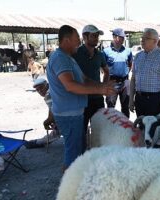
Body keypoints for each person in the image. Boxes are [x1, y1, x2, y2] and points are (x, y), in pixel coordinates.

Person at [46, 25, 116, 169]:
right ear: (66, 40)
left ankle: (77, 182)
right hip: (68, 115)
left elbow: (83, 79)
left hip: (75, 112)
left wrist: (101, 87)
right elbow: (70, 85)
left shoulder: (68, 58)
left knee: (79, 152)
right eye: (76, 38)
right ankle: (69, 187)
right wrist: (100, 89)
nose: (78, 42)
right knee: (73, 155)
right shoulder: (60, 58)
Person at [73, 24, 109, 152]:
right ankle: (81, 156)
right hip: (80, 99)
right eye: (93, 36)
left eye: (97, 36)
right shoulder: (76, 53)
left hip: (97, 99)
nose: (96, 38)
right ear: (84, 36)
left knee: (99, 129)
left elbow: (106, 71)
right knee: (80, 131)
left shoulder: (100, 54)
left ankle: (97, 155)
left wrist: (104, 86)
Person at [129, 28, 160, 117]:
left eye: (146, 38)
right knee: (140, 128)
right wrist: (131, 99)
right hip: (139, 99)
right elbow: (133, 79)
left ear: (155, 41)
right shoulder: (138, 56)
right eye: (142, 38)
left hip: (154, 101)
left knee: (154, 129)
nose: (142, 40)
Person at [103, 28, 133, 118]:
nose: (123, 39)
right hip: (112, 82)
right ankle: (111, 128)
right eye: (121, 37)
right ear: (115, 37)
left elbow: (130, 64)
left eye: (123, 37)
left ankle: (125, 129)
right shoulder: (106, 51)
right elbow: (102, 67)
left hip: (125, 82)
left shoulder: (128, 51)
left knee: (125, 108)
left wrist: (125, 73)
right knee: (111, 108)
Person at [25, 78, 61, 148]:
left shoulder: (48, 94)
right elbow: (52, 110)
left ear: (47, 85)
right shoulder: (54, 89)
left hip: (70, 116)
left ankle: (40, 142)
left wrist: (47, 121)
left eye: (41, 88)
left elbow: (53, 112)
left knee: (56, 128)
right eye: (37, 90)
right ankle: (41, 141)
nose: (40, 91)